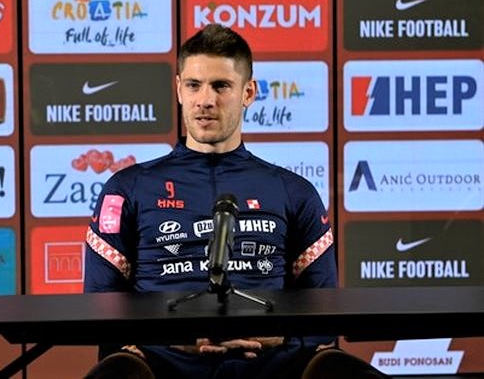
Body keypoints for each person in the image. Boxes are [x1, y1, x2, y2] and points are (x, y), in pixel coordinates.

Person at [82, 23, 389, 379]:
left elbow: (323, 316)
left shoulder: (294, 192)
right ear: (178, 89)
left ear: (248, 92)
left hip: (273, 366)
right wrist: (171, 340)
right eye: (194, 85)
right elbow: (102, 312)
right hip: (165, 364)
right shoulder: (127, 189)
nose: (205, 100)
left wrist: (280, 339)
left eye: (221, 86)